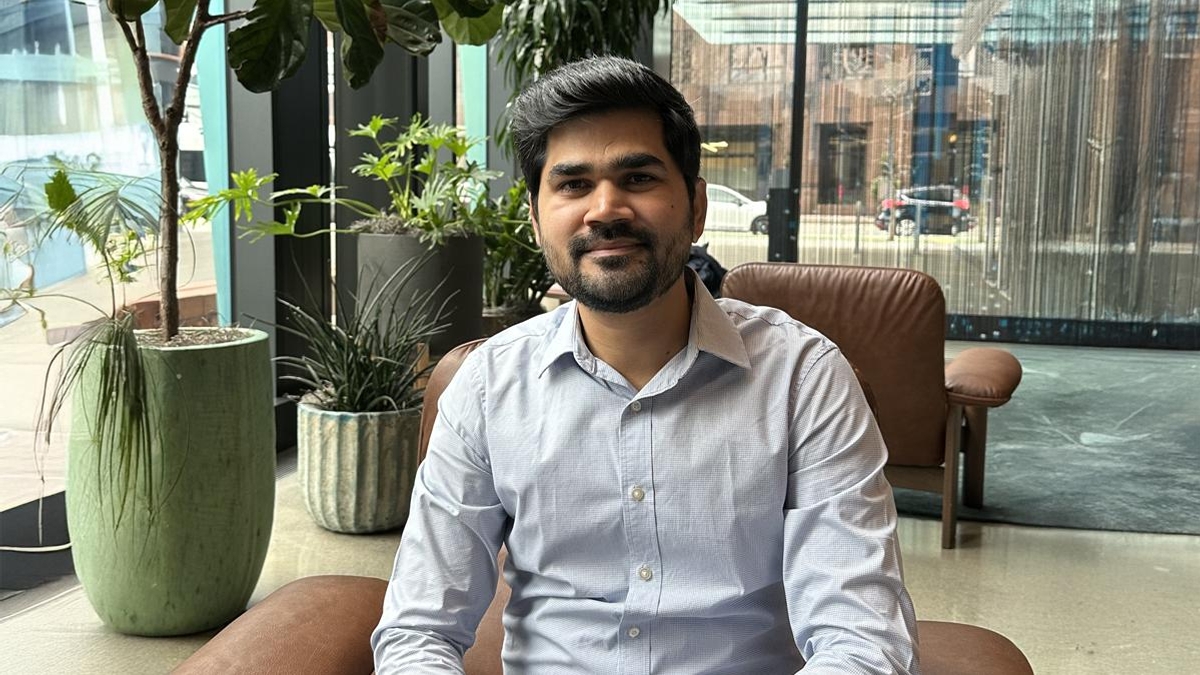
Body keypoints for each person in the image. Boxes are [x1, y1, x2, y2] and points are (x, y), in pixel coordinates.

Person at [372, 56, 919, 674]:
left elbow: (861, 638)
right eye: (573, 184)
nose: (605, 209)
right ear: (535, 220)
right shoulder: (488, 386)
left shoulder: (803, 378)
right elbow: (419, 629)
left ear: (696, 207)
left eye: (638, 177)